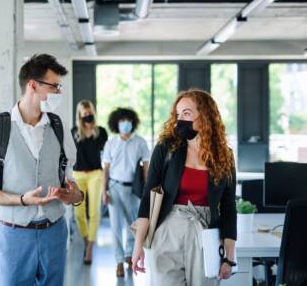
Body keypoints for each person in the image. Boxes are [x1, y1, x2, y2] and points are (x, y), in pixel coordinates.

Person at [0, 54, 84, 286]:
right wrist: (22, 200)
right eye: (55, 86)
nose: (59, 93)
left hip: (54, 231)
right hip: (13, 233)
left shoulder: (59, 128)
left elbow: (71, 182)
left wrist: (75, 196)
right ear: (33, 85)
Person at [132, 89, 237, 286]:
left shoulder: (224, 156)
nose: (180, 120)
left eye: (186, 114)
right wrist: (138, 246)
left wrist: (229, 257)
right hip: (167, 230)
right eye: (178, 115)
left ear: (204, 116)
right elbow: (148, 198)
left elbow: (229, 207)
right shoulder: (166, 148)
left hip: (206, 234)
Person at [102, 107, 149, 278]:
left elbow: (146, 168)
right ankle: (119, 261)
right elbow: (105, 170)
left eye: (128, 121)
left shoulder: (141, 142)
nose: (125, 124)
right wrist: (103, 191)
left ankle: (130, 255)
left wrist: (147, 191)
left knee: (133, 225)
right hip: (114, 188)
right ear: (116, 124)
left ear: (133, 122)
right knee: (115, 226)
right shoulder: (111, 143)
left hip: (134, 190)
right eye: (121, 121)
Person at [71, 100, 108, 265]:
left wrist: (93, 130)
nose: (87, 116)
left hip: (95, 174)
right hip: (78, 175)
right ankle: (87, 239)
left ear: (93, 112)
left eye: (89, 113)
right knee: (78, 214)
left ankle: (89, 249)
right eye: (84, 114)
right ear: (79, 115)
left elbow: (104, 154)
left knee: (94, 212)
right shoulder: (74, 132)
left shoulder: (101, 132)